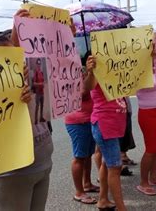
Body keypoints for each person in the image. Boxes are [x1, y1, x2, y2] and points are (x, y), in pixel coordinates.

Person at [0, 11, 54, 211]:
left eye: (17, 55)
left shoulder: (31, 76)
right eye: (6, 57)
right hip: (12, 176)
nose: (15, 60)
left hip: (42, 165)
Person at [85, 55, 127, 211]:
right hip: (105, 124)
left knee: (106, 163)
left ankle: (103, 199)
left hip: (113, 125)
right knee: (115, 167)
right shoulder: (97, 68)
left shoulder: (117, 68)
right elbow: (87, 87)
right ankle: (122, 208)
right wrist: (90, 72)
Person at [64, 52, 99, 205]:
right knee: (79, 157)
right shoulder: (68, 75)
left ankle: (87, 183)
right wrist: (90, 73)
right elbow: (84, 92)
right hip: (77, 121)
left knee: (88, 154)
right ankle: (79, 192)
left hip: (89, 119)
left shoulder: (82, 71)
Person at [135, 76, 156, 196]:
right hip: (147, 111)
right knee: (151, 148)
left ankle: (154, 176)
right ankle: (143, 182)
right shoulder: (140, 68)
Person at [32, 58, 46, 124]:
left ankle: (41, 118)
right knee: (37, 106)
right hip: (38, 93)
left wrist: (43, 84)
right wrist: (40, 84)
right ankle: (35, 120)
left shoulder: (41, 72)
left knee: (42, 106)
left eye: (40, 63)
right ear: (36, 64)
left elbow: (43, 81)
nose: (39, 64)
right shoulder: (36, 72)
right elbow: (34, 83)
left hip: (42, 92)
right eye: (38, 63)